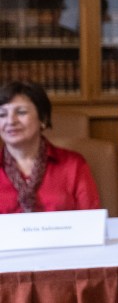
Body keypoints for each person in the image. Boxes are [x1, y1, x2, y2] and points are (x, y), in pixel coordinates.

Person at [0, 80, 101, 213]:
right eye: (2, 114)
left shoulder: (73, 165)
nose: (10, 121)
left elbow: (91, 220)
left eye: (21, 112)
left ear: (43, 118)